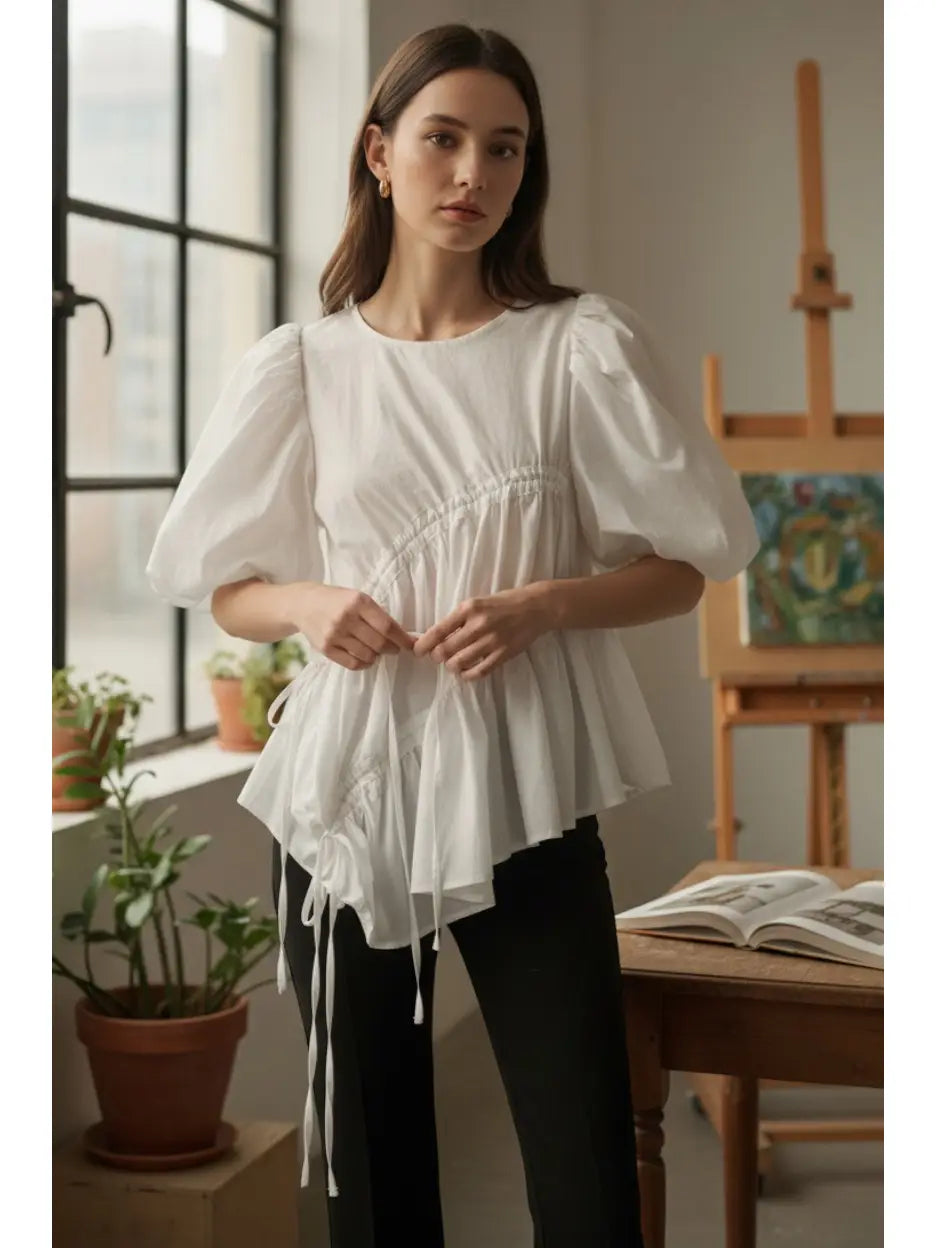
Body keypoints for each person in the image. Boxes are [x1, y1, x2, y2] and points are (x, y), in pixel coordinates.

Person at [145, 23, 760, 1248]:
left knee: (585, 1162)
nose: (473, 174)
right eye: (443, 139)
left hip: (526, 783)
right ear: (381, 155)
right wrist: (312, 607)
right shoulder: (303, 367)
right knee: (372, 1182)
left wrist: (546, 603)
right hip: (345, 795)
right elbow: (227, 592)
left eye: (505, 148)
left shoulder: (576, 346)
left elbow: (683, 570)